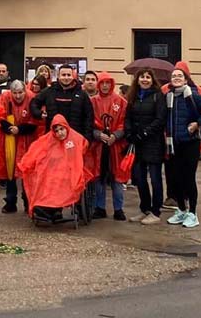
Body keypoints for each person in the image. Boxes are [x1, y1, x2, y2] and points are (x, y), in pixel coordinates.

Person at [163, 66, 201, 229]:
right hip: (173, 144)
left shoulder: (193, 96)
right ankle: (181, 210)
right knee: (175, 179)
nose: (177, 78)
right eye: (174, 76)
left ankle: (192, 213)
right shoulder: (168, 97)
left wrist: (198, 123)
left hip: (190, 143)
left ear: (186, 79)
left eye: (180, 76)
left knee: (188, 179)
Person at [19, 115, 93, 224]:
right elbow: (36, 151)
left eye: (62, 129)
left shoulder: (76, 138)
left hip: (70, 172)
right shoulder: (48, 140)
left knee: (59, 181)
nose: (60, 133)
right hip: (52, 172)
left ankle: (51, 209)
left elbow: (82, 151)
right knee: (42, 178)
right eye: (57, 131)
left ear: (66, 127)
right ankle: (45, 207)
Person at [123, 69, 167, 224]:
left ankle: (155, 211)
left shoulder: (158, 96)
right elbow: (127, 117)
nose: (145, 79)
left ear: (152, 80)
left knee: (155, 179)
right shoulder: (133, 96)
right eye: (142, 77)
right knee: (139, 179)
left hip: (153, 142)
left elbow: (160, 119)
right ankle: (145, 209)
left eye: (148, 77)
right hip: (137, 143)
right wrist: (129, 133)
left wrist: (146, 133)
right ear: (137, 79)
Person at [0, 79, 40, 214]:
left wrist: (20, 129)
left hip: (27, 138)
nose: (17, 96)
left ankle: (28, 202)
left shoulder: (32, 97)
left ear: (24, 90)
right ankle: (10, 202)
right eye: (15, 93)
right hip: (9, 137)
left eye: (20, 92)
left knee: (28, 171)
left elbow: (35, 121)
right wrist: (10, 128)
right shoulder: (4, 97)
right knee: (10, 171)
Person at [90, 72, 128, 220]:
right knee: (99, 177)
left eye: (108, 83)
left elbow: (125, 122)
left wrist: (116, 135)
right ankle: (100, 207)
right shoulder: (92, 102)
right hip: (98, 146)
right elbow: (87, 123)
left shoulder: (121, 101)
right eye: (102, 83)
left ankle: (119, 209)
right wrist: (98, 134)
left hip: (115, 146)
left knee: (117, 178)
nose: (105, 86)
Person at [30, 64, 94, 142]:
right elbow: (34, 103)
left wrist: (87, 139)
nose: (66, 77)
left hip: (75, 138)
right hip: (53, 137)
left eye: (68, 75)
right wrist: (39, 113)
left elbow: (89, 117)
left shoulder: (81, 94)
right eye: (63, 75)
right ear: (58, 76)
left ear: (72, 76)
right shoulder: (49, 91)